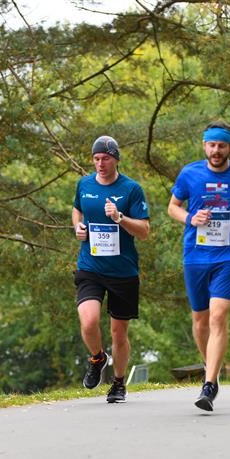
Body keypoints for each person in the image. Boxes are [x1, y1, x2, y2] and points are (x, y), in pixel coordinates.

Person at [167, 121, 230, 411]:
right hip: (196, 254)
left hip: (229, 254)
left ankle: (208, 384)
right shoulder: (190, 173)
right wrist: (189, 218)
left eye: (221, 145)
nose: (216, 150)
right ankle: (211, 366)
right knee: (200, 320)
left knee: (218, 316)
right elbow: (173, 206)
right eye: (212, 145)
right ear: (204, 146)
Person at [73, 136, 150, 403]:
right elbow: (76, 210)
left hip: (122, 271)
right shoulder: (84, 184)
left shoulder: (131, 189)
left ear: (116, 159)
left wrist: (119, 217)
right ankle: (97, 358)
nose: (100, 163)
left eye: (105, 158)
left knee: (119, 332)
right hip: (90, 265)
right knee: (88, 320)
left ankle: (118, 383)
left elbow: (144, 231)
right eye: (96, 159)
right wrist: (77, 226)